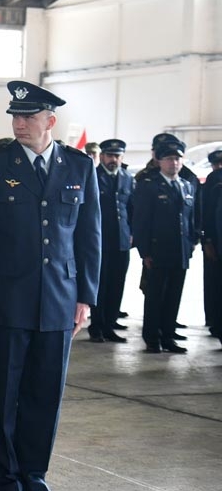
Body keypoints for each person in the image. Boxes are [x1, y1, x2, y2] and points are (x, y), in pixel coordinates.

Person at [0, 80, 100, 491]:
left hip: (59, 299)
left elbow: (89, 235)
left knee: (45, 395)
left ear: (50, 121)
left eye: (28, 116)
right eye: (16, 117)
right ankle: (6, 485)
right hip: (4, 300)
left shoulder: (79, 166)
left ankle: (34, 479)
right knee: (3, 396)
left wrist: (85, 297)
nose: (20, 124)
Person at [132, 137, 195, 354]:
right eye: (169, 159)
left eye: (177, 159)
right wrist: (145, 252)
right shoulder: (149, 186)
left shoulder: (186, 186)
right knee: (155, 296)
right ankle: (152, 338)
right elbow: (141, 222)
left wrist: (192, 243)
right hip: (157, 251)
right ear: (159, 161)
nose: (174, 163)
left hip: (180, 251)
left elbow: (191, 219)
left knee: (173, 296)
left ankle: (168, 336)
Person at [88, 139, 134, 344]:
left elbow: (132, 208)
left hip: (121, 241)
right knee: (101, 285)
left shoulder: (127, 178)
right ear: (102, 156)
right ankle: (97, 326)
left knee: (117, 284)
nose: (113, 159)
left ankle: (110, 326)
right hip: (100, 241)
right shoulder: (93, 176)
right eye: (110, 155)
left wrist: (132, 233)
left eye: (117, 156)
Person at [199, 149, 222, 343]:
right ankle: (214, 322)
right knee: (215, 285)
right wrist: (206, 240)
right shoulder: (214, 181)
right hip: (215, 242)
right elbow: (205, 213)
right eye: (216, 164)